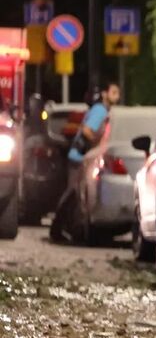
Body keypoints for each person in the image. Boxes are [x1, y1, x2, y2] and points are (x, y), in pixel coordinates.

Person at [50, 82, 119, 242]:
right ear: (104, 94)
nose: (118, 96)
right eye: (114, 92)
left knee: (75, 195)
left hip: (80, 157)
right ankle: (58, 228)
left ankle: (66, 229)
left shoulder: (100, 110)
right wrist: (98, 144)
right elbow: (88, 131)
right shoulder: (101, 111)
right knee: (72, 194)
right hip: (79, 157)